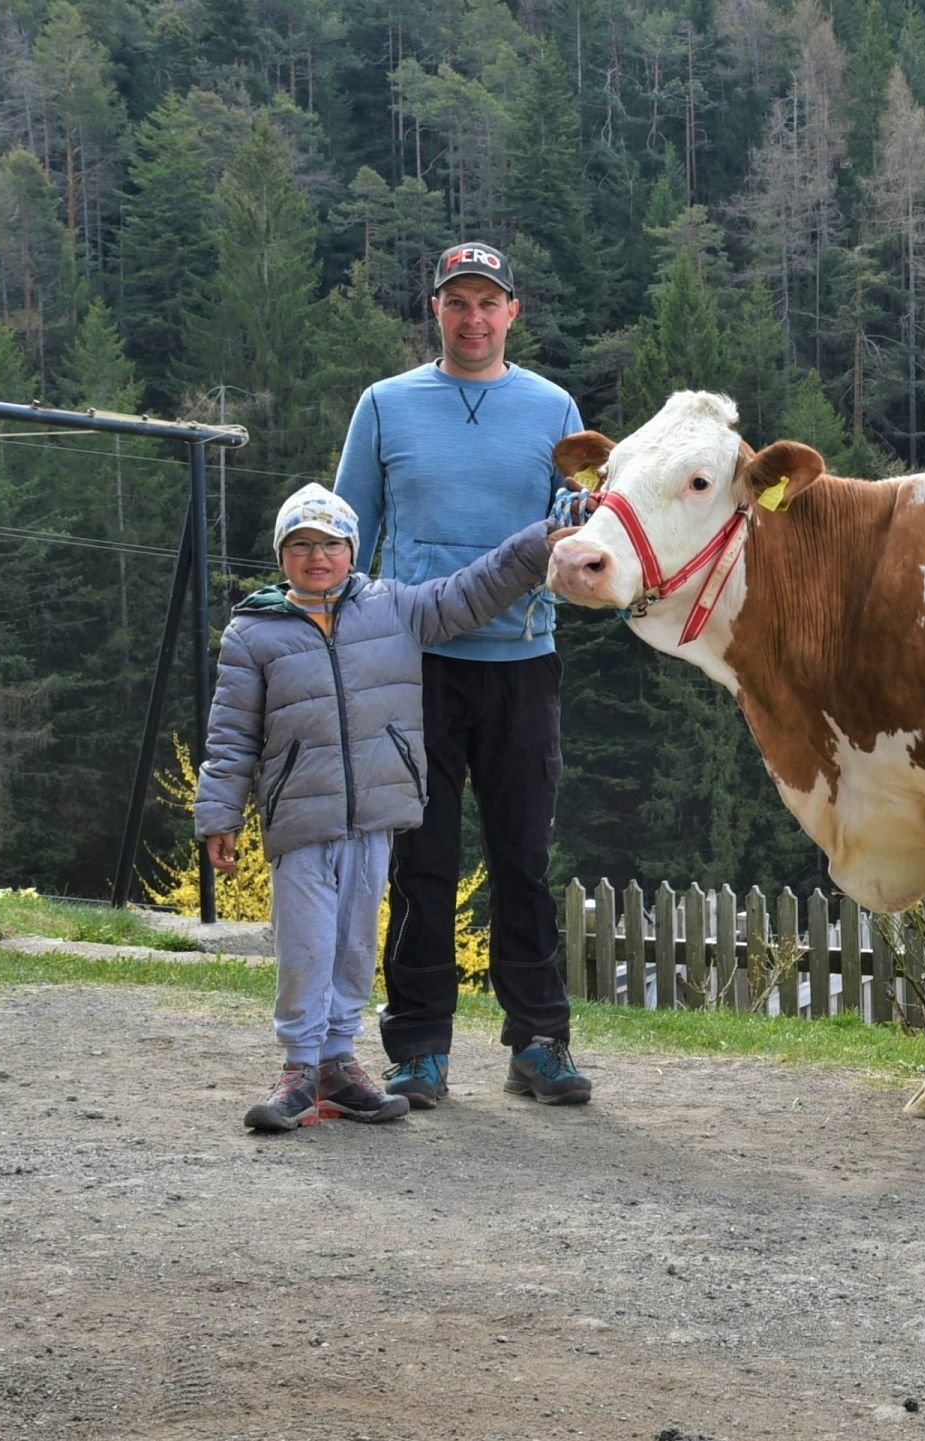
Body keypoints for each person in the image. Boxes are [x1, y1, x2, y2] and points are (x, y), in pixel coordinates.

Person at [196, 483, 565, 1132]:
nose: (317, 557)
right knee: (306, 946)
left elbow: (473, 590)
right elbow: (229, 736)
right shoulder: (252, 633)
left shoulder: (394, 608)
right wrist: (219, 815)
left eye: (331, 544)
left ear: (352, 551)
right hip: (301, 823)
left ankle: (339, 1066)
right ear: (282, 555)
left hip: (375, 818)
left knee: (354, 947)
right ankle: (298, 1067)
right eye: (301, 544)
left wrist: (537, 545)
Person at [333, 240, 593, 1111]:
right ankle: (416, 1051)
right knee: (422, 861)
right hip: (416, 669)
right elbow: (346, 542)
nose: (473, 318)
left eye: (489, 303)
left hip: (525, 665)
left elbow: (578, 529)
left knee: (523, 859)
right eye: (458, 303)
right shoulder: (383, 406)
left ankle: (539, 1043)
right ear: (435, 311)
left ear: (513, 312)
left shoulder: (555, 408)